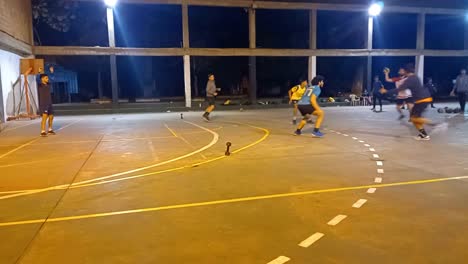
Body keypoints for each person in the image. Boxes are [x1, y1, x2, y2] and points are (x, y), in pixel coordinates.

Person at [381, 64, 445, 141]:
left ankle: (435, 124)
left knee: (414, 118)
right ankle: (424, 135)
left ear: (406, 71)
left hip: (422, 100)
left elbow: (399, 89)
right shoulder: (414, 77)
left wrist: (386, 91)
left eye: (403, 70)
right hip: (421, 99)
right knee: (413, 118)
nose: (401, 71)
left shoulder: (410, 79)